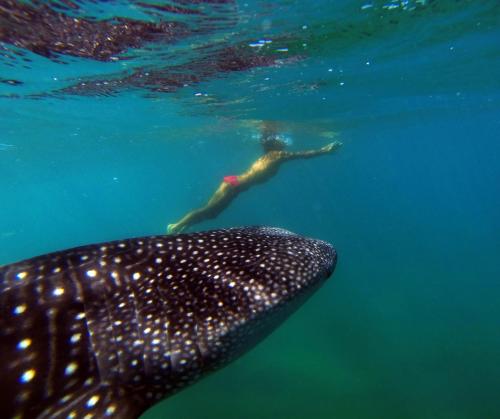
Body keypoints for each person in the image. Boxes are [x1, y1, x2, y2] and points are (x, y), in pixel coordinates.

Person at [167, 122, 342, 234]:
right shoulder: (278, 155)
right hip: (235, 185)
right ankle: (175, 226)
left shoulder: (269, 155)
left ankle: (181, 226)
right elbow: (303, 155)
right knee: (209, 211)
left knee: (212, 213)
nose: (284, 142)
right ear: (275, 143)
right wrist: (325, 150)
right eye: (280, 140)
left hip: (234, 183)